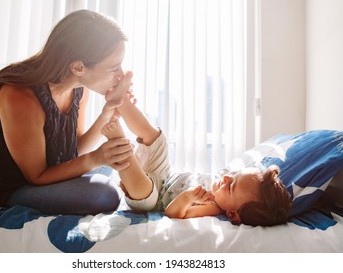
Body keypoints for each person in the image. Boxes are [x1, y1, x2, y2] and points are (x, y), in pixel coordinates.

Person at [0, 10, 136, 216]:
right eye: (114, 68)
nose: (121, 75)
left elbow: (73, 151)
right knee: (105, 194)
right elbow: (37, 176)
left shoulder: (78, 87)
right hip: (4, 188)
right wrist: (96, 158)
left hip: (45, 175)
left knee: (112, 167)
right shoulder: (19, 96)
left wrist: (108, 112)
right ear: (78, 67)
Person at [102, 74, 293, 226]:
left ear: (233, 213)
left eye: (231, 186)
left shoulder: (211, 206)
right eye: (234, 175)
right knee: (158, 140)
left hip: (151, 198)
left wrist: (187, 198)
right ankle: (121, 101)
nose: (227, 178)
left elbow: (172, 213)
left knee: (144, 192)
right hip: (163, 177)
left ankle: (117, 141)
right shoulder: (218, 184)